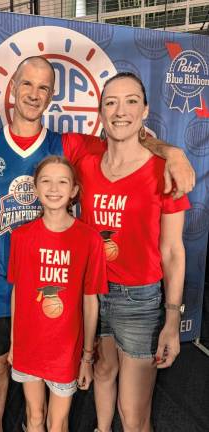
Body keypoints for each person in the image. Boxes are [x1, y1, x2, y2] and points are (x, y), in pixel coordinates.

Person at [0, 57, 195, 432]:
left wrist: (173, 152)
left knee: (72, 377)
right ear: (13, 88)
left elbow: (124, 135)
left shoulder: (67, 144)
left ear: (52, 96)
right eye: (27, 85)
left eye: (44, 87)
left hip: (60, 288)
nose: (34, 94)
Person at [72, 72, 190, 432]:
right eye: (111, 102)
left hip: (138, 300)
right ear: (100, 111)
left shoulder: (165, 171)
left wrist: (172, 320)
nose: (120, 111)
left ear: (145, 110)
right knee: (103, 370)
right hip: (93, 292)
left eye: (131, 101)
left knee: (134, 413)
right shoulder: (83, 153)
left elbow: (172, 252)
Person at [7, 155, 107, 432]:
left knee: (57, 422)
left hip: (65, 350)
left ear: (74, 190)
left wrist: (87, 357)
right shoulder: (21, 237)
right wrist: (14, 342)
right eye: (46, 181)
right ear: (36, 188)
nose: (54, 188)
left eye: (62, 181)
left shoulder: (90, 239)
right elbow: (19, 292)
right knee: (35, 416)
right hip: (29, 345)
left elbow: (90, 302)